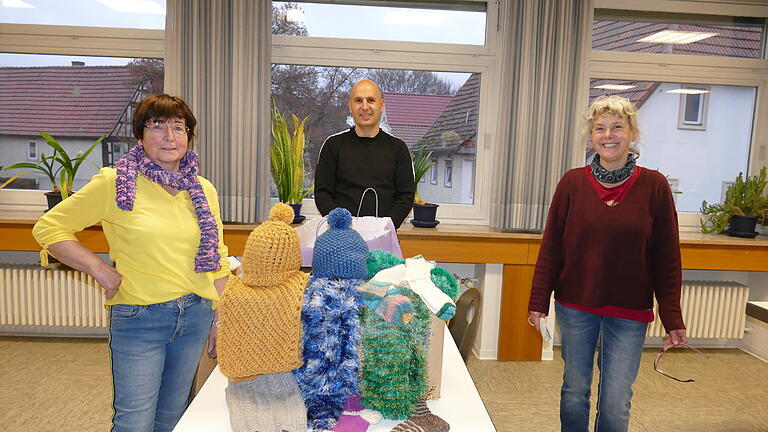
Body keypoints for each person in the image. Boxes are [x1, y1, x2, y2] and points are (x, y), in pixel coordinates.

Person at [32, 94, 230, 432]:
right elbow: (49, 227)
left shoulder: (203, 189)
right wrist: (99, 269)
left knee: (173, 417)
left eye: (179, 128)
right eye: (158, 126)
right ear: (139, 136)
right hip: (141, 318)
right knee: (135, 422)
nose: (170, 136)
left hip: (196, 314)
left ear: (188, 136)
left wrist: (220, 319)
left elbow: (219, 259)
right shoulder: (115, 182)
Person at [527, 95, 687, 432]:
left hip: (629, 311)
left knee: (615, 402)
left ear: (632, 133)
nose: (608, 134)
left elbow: (667, 257)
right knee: (574, 392)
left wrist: (672, 315)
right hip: (576, 306)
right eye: (600, 128)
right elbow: (551, 247)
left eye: (617, 126)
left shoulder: (654, 186)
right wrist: (538, 302)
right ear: (591, 136)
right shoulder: (572, 183)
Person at [314, 79, 415, 228]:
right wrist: (342, 227)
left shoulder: (398, 149)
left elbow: (405, 198)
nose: (365, 107)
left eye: (371, 100)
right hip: (341, 237)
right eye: (358, 100)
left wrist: (383, 228)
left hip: (383, 236)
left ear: (381, 105)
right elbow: (323, 194)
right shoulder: (333, 146)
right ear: (350, 106)